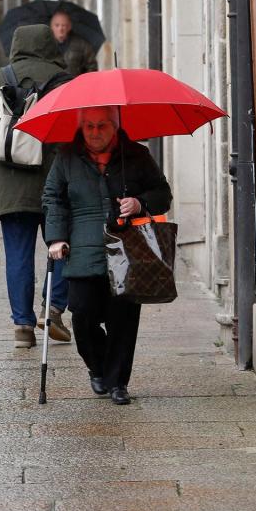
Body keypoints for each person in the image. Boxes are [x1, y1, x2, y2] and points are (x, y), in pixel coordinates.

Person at [42, 106, 171, 405]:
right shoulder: (66, 157)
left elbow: (163, 194)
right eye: (89, 126)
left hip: (128, 249)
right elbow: (52, 198)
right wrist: (56, 237)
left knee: (123, 318)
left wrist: (139, 203)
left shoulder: (136, 155)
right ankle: (98, 367)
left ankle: (117, 383)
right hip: (82, 247)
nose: (95, 132)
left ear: (115, 126)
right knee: (82, 314)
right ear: (81, 127)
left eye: (102, 125)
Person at [0, 24, 73, 348]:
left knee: (18, 255)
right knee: (64, 245)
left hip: (11, 186)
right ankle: (53, 308)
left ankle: (23, 327)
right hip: (56, 184)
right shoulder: (65, 81)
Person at [49, 10, 98, 76]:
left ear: (69, 26)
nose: (60, 29)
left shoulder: (82, 45)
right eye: (57, 25)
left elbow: (92, 67)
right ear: (51, 27)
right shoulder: (46, 45)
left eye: (63, 25)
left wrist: (82, 80)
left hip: (75, 81)